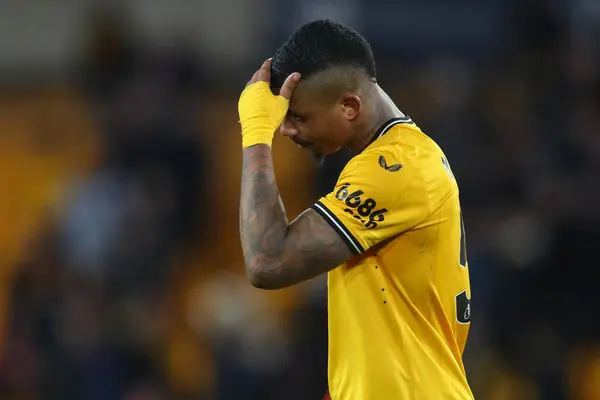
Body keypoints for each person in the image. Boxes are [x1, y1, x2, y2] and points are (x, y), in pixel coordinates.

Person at [237, 19, 473, 399]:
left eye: (298, 117)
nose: (287, 130)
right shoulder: (396, 159)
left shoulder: (395, 168)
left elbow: (267, 261)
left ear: (349, 106)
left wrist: (255, 135)